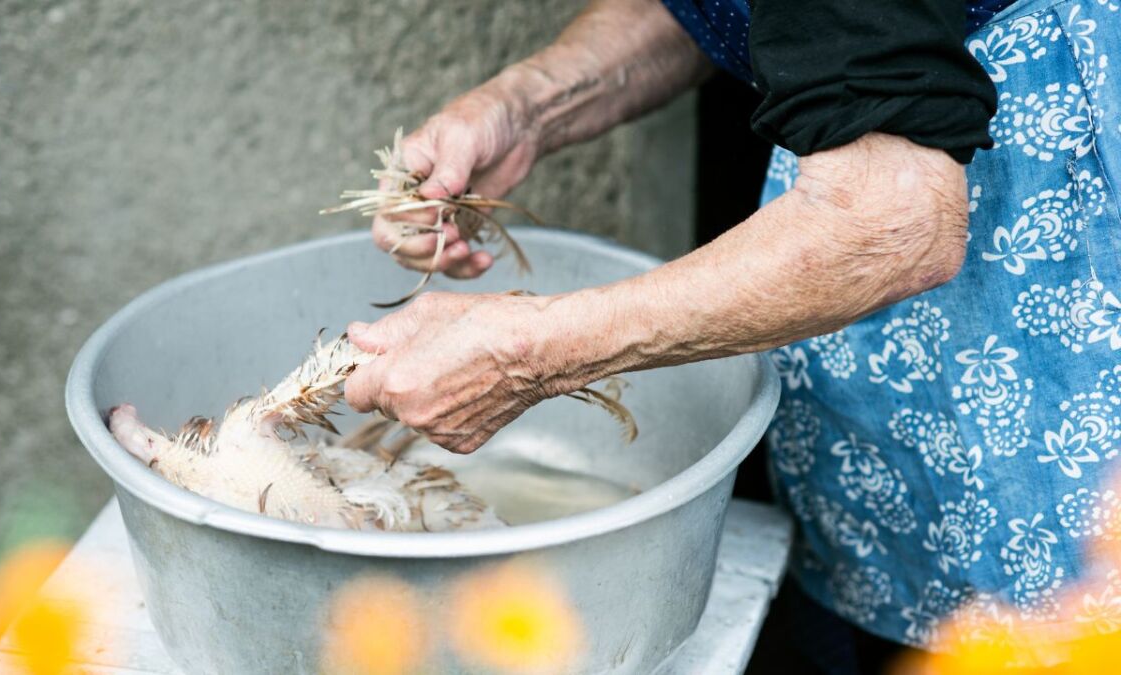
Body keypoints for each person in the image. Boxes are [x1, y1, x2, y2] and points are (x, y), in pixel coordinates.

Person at [342, 0, 1121, 671]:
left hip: (1046, 319)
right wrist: (527, 105)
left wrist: (527, 353)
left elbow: (893, 218)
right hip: (890, 373)